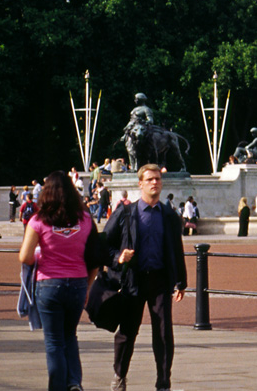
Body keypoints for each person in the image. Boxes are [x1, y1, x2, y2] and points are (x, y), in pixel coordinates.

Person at [103, 163, 188, 391]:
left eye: (158, 179)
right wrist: (119, 257)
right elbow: (104, 244)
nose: (154, 183)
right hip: (133, 279)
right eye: (149, 179)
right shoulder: (126, 212)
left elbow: (176, 249)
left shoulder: (169, 215)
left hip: (160, 280)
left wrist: (181, 281)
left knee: (163, 331)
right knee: (128, 331)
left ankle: (163, 382)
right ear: (140, 184)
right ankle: (120, 375)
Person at [20, 171, 100, 391]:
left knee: (54, 342)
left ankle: (57, 387)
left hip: (49, 283)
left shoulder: (38, 220)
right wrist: (88, 286)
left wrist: (39, 254)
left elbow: (24, 257)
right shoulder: (85, 219)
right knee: (70, 336)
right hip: (77, 282)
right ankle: (74, 382)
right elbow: (94, 256)